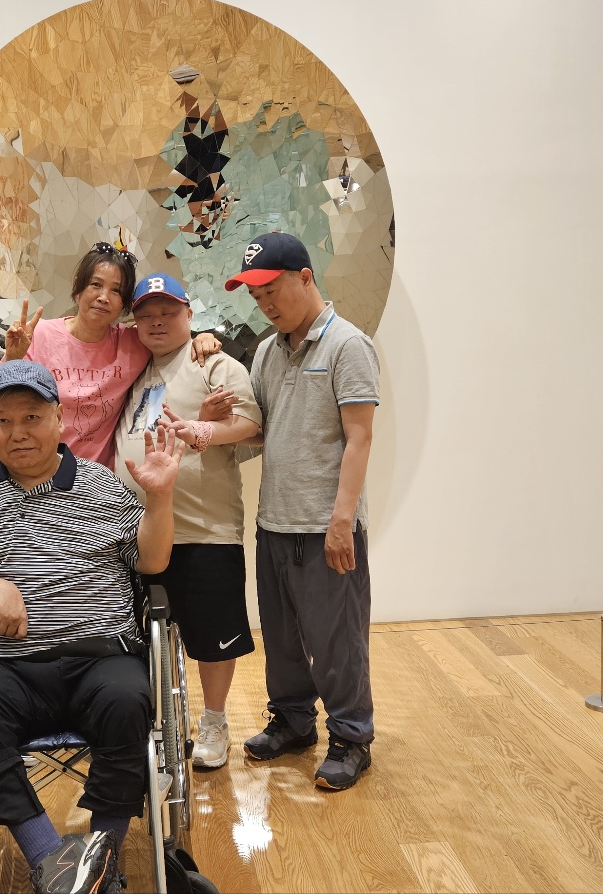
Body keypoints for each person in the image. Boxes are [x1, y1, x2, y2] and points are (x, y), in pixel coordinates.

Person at [0, 359, 183, 894]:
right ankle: (55, 861)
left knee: (127, 702)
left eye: (31, 417)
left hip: (101, 657)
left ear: (58, 420)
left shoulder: (101, 485)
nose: (17, 432)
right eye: (3, 421)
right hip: (11, 667)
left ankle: (103, 854)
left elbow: (152, 561)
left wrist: (160, 498)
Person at [226, 232, 380, 791]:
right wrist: (218, 423)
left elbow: (359, 437)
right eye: (255, 296)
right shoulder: (269, 351)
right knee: (284, 639)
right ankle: (292, 721)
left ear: (305, 277)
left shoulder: (348, 345)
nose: (264, 304)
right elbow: (263, 429)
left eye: (271, 290)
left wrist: (342, 520)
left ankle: (352, 737)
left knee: (337, 640)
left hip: (325, 526)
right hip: (275, 522)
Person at [113, 273, 261, 769]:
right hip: (136, 530)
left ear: (189, 315)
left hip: (203, 527)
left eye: (168, 312)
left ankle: (214, 721)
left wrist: (201, 427)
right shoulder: (133, 370)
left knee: (211, 636)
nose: (156, 322)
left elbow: (251, 424)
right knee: (139, 635)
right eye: (146, 315)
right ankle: (149, 722)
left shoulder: (214, 362)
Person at [2, 243, 222, 469]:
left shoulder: (132, 344)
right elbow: (0, 405)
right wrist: (12, 357)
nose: (104, 297)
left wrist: (200, 337)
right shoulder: (40, 335)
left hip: (98, 479)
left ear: (124, 303)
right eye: (96, 285)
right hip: (37, 470)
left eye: (116, 291)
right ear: (79, 287)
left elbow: (167, 335)